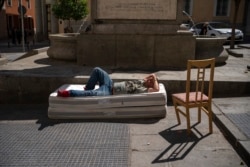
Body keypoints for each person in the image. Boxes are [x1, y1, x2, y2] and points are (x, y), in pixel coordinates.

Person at [57, 67, 159, 97]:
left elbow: (156, 88)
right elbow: (148, 76)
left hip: (109, 92)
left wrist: (154, 78)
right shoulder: (141, 82)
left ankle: (68, 93)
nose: (149, 80)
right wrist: (151, 77)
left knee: (91, 94)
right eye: (149, 79)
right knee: (97, 70)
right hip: (110, 83)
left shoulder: (145, 89)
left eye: (151, 81)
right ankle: (88, 87)